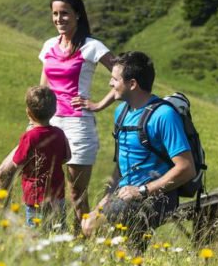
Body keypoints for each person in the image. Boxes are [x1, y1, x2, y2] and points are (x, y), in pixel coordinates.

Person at [82, 51, 196, 249]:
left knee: (99, 229)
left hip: (158, 196)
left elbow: (186, 168)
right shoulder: (121, 112)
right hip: (123, 194)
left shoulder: (164, 115)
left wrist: (142, 191)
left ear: (132, 83)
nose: (110, 84)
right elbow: (121, 167)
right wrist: (102, 205)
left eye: (114, 79)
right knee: (91, 225)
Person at [39, 0, 115, 229]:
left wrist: (99, 104)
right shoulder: (49, 45)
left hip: (78, 124)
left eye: (65, 14)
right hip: (50, 123)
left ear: (78, 15)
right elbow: (43, 86)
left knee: (77, 191)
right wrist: (36, 120)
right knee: (48, 183)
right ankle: (54, 232)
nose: (59, 19)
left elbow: (124, 75)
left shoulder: (92, 47)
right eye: (55, 14)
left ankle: (84, 239)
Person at [0, 86, 71, 228]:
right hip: (57, 196)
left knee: (36, 233)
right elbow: (67, 157)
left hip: (36, 197)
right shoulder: (59, 133)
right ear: (54, 111)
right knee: (57, 229)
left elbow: (17, 162)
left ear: (29, 112)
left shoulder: (29, 136)